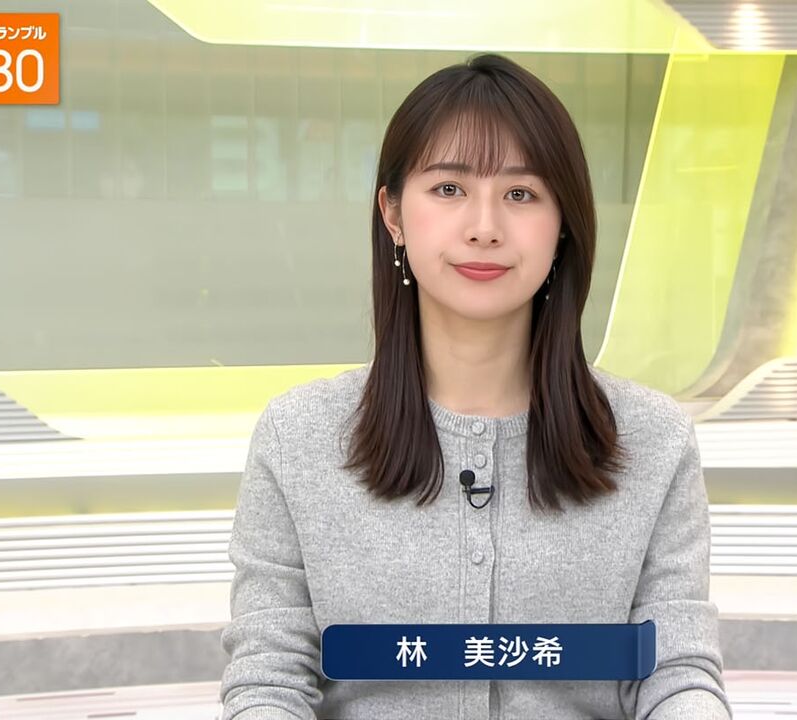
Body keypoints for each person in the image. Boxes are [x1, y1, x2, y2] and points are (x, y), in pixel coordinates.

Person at [219, 52, 732, 720]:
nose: (484, 227)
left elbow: (675, 671)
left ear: (563, 225)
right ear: (393, 215)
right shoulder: (299, 438)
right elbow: (268, 680)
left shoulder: (654, 441)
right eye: (448, 189)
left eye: (521, 194)